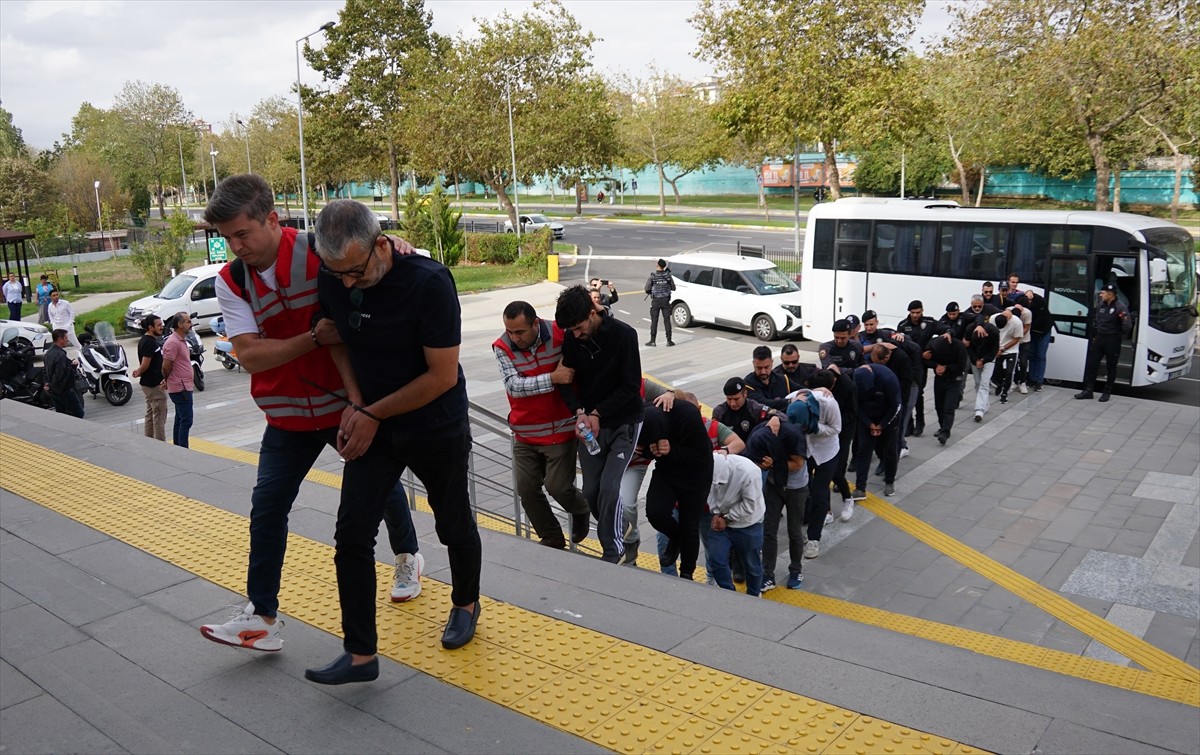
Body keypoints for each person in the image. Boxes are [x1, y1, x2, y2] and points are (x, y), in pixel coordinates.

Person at [199, 176, 421, 662]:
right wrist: (312, 339)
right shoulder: (231, 280)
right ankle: (262, 616)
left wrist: (398, 245)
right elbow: (251, 356)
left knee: (378, 491)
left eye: (242, 234)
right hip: (284, 416)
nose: (235, 247)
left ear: (273, 220)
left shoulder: (320, 252)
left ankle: (408, 557)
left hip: (342, 405)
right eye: (227, 238)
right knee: (268, 507)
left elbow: (373, 260)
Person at [307, 198, 482, 684]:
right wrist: (357, 401)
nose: (345, 283)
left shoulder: (429, 283)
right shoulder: (334, 270)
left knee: (452, 523)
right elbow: (336, 336)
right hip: (375, 423)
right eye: (336, 274)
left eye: (356, 273)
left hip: (435, 424)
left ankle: (466, 603)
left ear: (382, 245)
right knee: (351, 534)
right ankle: (361, 653)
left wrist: (369, 413)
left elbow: (442, 376)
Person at [556, 284, 644, 564]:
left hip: (624, 422)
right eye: (572, 331)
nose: (577, 335)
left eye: (580, 327)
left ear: (593, 313)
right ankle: (621, 527)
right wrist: (579, 412)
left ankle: (613, 550)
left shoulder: (624, 336)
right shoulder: (572, 339)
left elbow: (631, 386)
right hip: (590, 426)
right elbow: (567, 381)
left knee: (609, 487)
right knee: (591, 491)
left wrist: (597, 413)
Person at [493, 301, 591, 550]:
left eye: (520, 332)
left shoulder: (561, 333)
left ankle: (581, 510)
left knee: (558, 487)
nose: (514, 338)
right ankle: (552, 537)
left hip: (560, 430)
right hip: (525, 432)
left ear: (535, 324)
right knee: (526, 489)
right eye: (509, 331)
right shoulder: (502, 346)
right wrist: (553, 378)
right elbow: (513, 386)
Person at [640, 402, 714, 581]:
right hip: (667, 471)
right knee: (655, 512)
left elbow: (703, 454)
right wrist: (653, 451)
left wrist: (671, 449)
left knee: (690, 525)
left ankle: (687, 573)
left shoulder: (687, 414)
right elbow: (644, 451)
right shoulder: (649, 412)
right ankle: (675, 537)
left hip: (696, 474)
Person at [745, 414, 808, 578]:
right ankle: (767, 573)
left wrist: (774, 464)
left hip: (796, 486)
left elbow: (798, 464)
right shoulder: (760, 434)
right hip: (774, 485)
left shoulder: (792, 436)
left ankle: (796, 570)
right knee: (769, 530)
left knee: (794, 531)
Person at [706, 452, 766, 596]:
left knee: (752, 565)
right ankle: (729, 593)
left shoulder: (749, 472)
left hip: (748, 523)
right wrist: (716, 514)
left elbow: (750, 505)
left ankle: (754, 594)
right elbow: (708, 494)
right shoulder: (708, 468)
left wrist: (727, 518)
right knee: (716, 559)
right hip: (720, 518)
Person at [852, 355, 902, 498]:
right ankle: (860, 487)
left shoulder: (888, 379)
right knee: (864, 450)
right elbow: (857, 405)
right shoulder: (854, 381)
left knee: (890, 449)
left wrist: (882, 425)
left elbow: (896, 406)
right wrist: (869, 423)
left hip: (889, 415)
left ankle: (890, 481)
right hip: (868, 417)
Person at [1075, 283, 1131, 402]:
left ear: (1110, 294)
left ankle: (1107, 392)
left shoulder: (1120, 308)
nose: (1101, 295)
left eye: (1103, 293)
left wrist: (1117, 335)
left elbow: (1127, 326)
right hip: (1100, 339)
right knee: (1092, 364)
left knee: (1111, 367)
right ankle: (1088, 390)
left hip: (1112, 340)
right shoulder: (1101, 305)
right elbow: (1097, 320)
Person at [895, 300, 936, 437]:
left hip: (921, 365)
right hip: (907, 365)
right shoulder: (903, 325)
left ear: (922, 311)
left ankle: (920, 423)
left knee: (918, 393)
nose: (915, 315)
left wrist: (931, 349)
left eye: (918, 312)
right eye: (913, 313)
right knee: (907, 394)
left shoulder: (929, 323)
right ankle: (908, 424)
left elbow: (944, 330)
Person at [923, 333, 968, 445]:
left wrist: (947, 368)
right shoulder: (933, 344)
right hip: (940, 378)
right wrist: (936, 365)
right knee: (939, 406)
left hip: (954, 379)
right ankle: (942, 426)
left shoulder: (958, 346)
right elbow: (926, 359)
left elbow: (962, 365)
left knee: (949, 407)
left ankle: (945, 432)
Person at [161, 312, 195, 448]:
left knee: (180, 419)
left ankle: (178, 447)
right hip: (181, 388)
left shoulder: (180, 340)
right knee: (186, 420)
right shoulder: (173, 342)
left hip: (183, 386)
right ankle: (183, 449)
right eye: (187, 321)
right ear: (180, 325)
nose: (190, 324)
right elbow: (166, 365)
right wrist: (166, 378)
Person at [131, 314, 167, 441]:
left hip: (150, 383)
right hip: (153, 385)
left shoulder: (146, 340)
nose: (161, 327)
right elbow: (145, 364)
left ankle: (149, 441)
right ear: (150, 327)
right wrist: (139, 371)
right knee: (159, 416)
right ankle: (160, 445)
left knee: (151, 414)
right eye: (159, 325)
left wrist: (140, 371)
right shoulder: (149, 343)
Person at [712, 377, 781, 443]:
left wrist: (775, 418)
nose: (732, 404)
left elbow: (779, 414)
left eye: (736, 399)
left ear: (745, 394)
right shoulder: (719, 412)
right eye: (729, 399)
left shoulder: (754, 408)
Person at [961, 313, 999, 423]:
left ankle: (979, 410)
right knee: (978, 382)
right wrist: (976, 360)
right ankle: (984, 403)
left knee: (984, 383)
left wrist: (983, 360)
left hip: (989, 359)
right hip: (975, 358)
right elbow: (968, 347)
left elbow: (994, 350)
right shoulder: (969, 329)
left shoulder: (994, 332)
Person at [42, 329, 84, 418]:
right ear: (60, 339)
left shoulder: (48, 353)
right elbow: (59, 374)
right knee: (78, 413)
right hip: (63, 389)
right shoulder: (60, 355)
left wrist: (47, 384)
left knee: (61, 413)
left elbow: (46, 370)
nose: (67, 340)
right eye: (66, 338)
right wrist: (51, 385)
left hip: (53, 391)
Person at [744, 345, 790, 410]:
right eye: (759, 368)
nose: (763, 372)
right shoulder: (747, 385)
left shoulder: (783, 379)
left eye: (766, 367)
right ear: (753, 363)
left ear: (772, 362)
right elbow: (763, 403)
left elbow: (803, 390)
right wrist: (789, 401)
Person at [993, 312, 1024, 404]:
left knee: (1009, 372)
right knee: (996, 371)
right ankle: (999, 384)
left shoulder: (1017, 323)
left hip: (1011, 349)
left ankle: (1005, 393)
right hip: (997, 348)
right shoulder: (993, 318)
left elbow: (1016, 339)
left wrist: (1002, 349)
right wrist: (995, 349)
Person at [1024, 289, 1052, 392]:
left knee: (1040, 356)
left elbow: (1042, 319)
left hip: (1043, 331)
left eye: (1030, 300)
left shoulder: (1040, 302)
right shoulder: (1025, 303)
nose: (1029, 302)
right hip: (1033, 332)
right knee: (1032, 355)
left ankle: (1039, 381)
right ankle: (1032, 379)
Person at [644, 258, 675, 347]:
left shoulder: (653, 276)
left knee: (654, 321)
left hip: (656, 301)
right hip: (665, 300)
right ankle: (669, 341)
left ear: (657, 265)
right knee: (667, 320)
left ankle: (653, 341)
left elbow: (647, 289)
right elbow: (673, 288)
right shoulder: (668, 276)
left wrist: (652, 291)